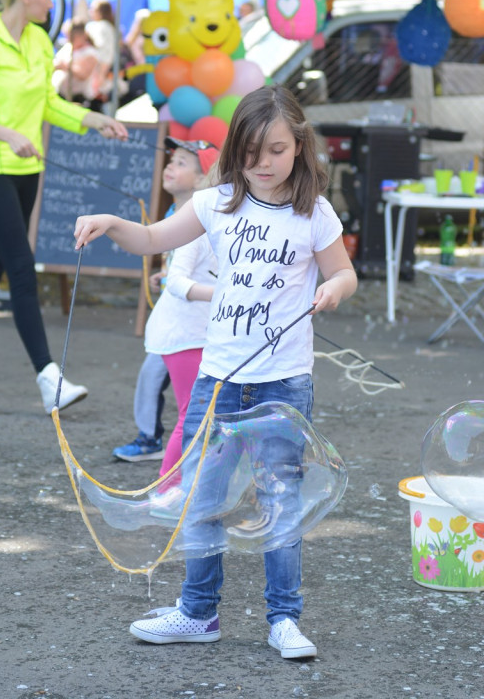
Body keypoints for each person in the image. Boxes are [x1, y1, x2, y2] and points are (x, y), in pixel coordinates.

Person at [74, 85, 357, 659]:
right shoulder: (218, 201)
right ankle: (198, 613)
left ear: (298, 147)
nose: (263, 164)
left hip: (284, 381)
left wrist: (333, 287)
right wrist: (111, 221)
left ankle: (284, 619)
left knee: (282, 501)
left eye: (276, 150)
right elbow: (153, 237)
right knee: (202, 499)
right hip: (219, 378)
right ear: (235, 151)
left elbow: (345, 273)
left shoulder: (313, 213)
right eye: (251, 152)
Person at [0, 0, 128, 412]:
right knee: (21, 266)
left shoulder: (40, 41)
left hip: (27, 169)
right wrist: (5, 134)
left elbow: (47, 103)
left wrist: (92, 120)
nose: (50, 3)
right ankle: (48, 377)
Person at [112, 138, 219, 466]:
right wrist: (168, 277)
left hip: (196, 325)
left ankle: (159, 447)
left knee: (194, 407)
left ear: (204, 178)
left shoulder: (208, 217)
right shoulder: (177, 212)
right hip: (180, 324)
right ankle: (157, 447)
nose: (170, 166)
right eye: (171, 160)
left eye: (182, 163)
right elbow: (180, 267)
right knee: (170, 390)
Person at [52, 20, 102, 111]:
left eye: (72, 37)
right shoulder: (68, 47)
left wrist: (65, 66)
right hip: (60, 95)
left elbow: (83, 74)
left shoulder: (90, 53)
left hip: (78, 99)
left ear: (82, 36)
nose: (69, 39)